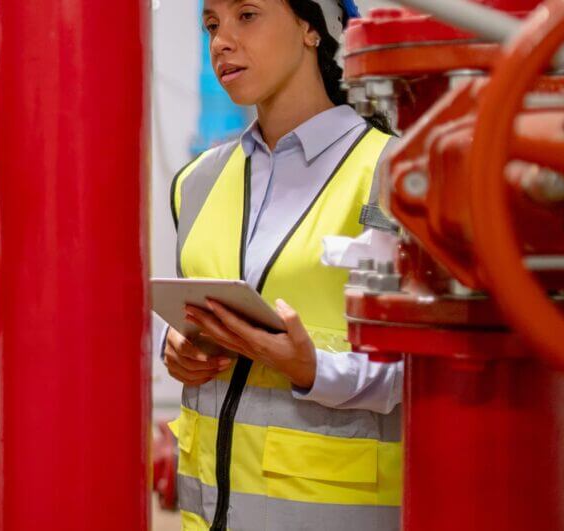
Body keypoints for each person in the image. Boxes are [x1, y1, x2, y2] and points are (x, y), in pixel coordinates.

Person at [163, 0, 404, 529]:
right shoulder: (196, 182)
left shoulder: (396, 174)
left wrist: (313, 369)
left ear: (311, 28)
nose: (221, 41)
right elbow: (192, 313)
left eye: (246, 15)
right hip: (206, 516)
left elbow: (434, 373)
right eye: (211, 25)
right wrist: (178, 348)